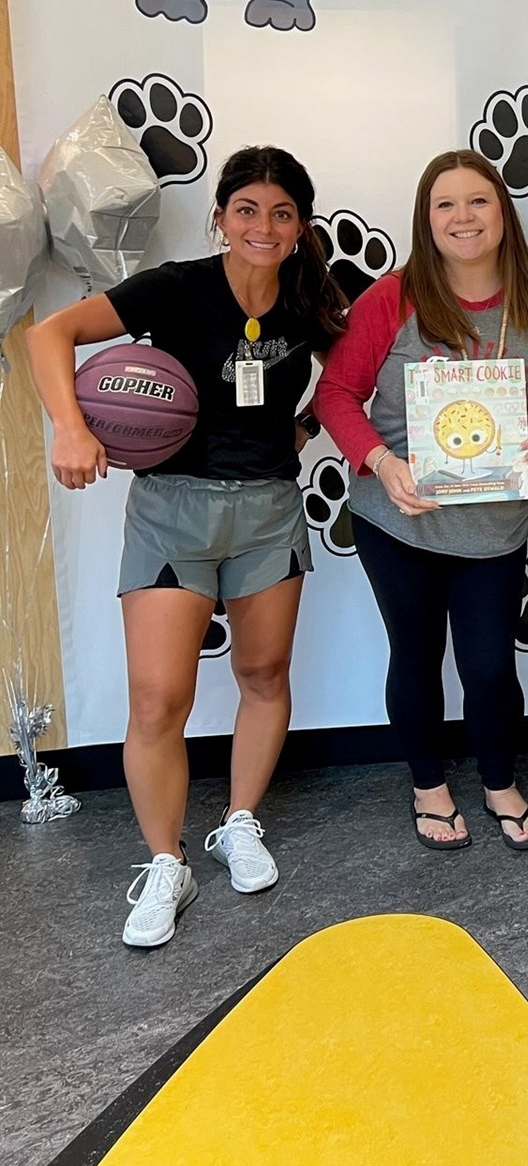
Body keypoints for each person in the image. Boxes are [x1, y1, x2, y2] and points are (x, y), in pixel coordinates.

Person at [28, 146, 347, 948]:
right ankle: (165, 862)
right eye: (247, 210)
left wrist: (302, 430)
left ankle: (240, 822)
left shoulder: (314, 297)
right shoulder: (175, 288)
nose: (263, 227)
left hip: (271, 510)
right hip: (172, 510)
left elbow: (354, 372)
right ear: (221, 215)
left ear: (300, 224)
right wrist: (71, 426)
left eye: (280, 213)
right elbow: (50, 334)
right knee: (157, 700)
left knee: (264, 675)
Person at [314, 150, 528, 854]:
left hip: (495, 527)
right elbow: (335, 394)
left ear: (503, 213)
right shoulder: (391, 299)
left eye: (478, 202)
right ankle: (428, 784)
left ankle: (499, 783)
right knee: (416, 653)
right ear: (425, 220)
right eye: (445, 205)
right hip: (399, 519)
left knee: (491, 666)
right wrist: (378, 460)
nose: (463, 218)